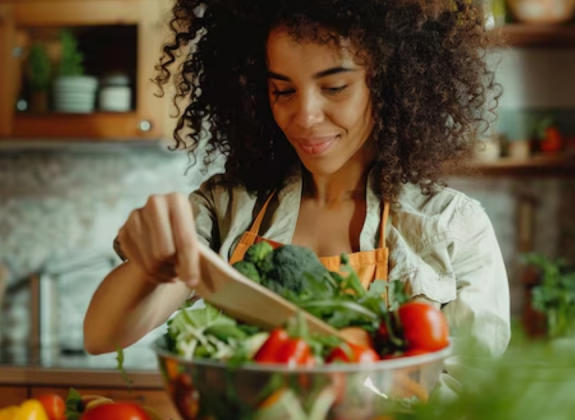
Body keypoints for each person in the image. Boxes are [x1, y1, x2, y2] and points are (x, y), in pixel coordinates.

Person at [84, 0, 510, 396]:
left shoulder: (453, 228)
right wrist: (149, 268)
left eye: (335, 87)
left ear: (388, 84)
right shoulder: (228, 208)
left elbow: (469, 396)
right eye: (283, 91)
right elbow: (102, 336)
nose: (304, 116)